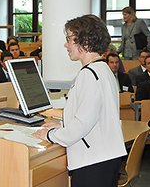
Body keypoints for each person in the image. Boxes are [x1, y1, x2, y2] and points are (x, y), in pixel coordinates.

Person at [33, 15, 126, 187]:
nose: (65, 44)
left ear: (85, 41)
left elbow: (81, 126)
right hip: (105, 157)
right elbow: (92, 116)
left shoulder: (89, 74)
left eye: (69, 39)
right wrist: (63, 126)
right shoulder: (102, 68)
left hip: (93, 162)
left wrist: (49, 135)